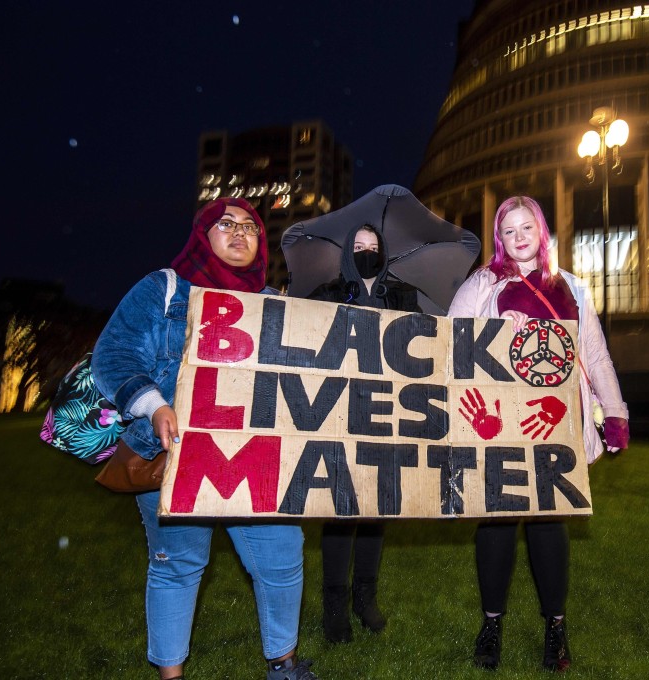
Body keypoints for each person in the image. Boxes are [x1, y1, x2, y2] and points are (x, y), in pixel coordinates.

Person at [91, 198, 317, 680]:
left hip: (255, 458)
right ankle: (171, 675)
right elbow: (112, 356)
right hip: (174, 455)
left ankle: (284, 663)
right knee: (179, 564)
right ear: (201, 234)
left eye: (251, 228)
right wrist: (153, 406)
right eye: (226, 224)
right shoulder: (164, 290)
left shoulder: (274, 303)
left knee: (281, 556)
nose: (239, 233)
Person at [447, 196, 630, 672]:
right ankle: (491, 625)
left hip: (555, 418)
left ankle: (556, 628)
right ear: (499, 239)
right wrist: (495, 329)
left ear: (541, 230)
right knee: (498, 522)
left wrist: (614, 413)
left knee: (550, 524)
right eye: (509, 230)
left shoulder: (571, 286)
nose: (520, 236)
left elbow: (596, 354)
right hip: (499, 419)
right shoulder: (483, 284)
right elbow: (451, 341)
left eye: (527, 226)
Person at [305, 223, 422, 643]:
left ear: (385, 252)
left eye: (373, 247)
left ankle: (365, 597)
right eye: (358, 247)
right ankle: (334, 604)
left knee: (376, 508)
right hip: (338, 414)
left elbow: (424, 343)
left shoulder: (403, 296)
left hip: (388, 415)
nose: (366, 253)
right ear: (346, 253)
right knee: (341, 510)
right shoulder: (328, 293)